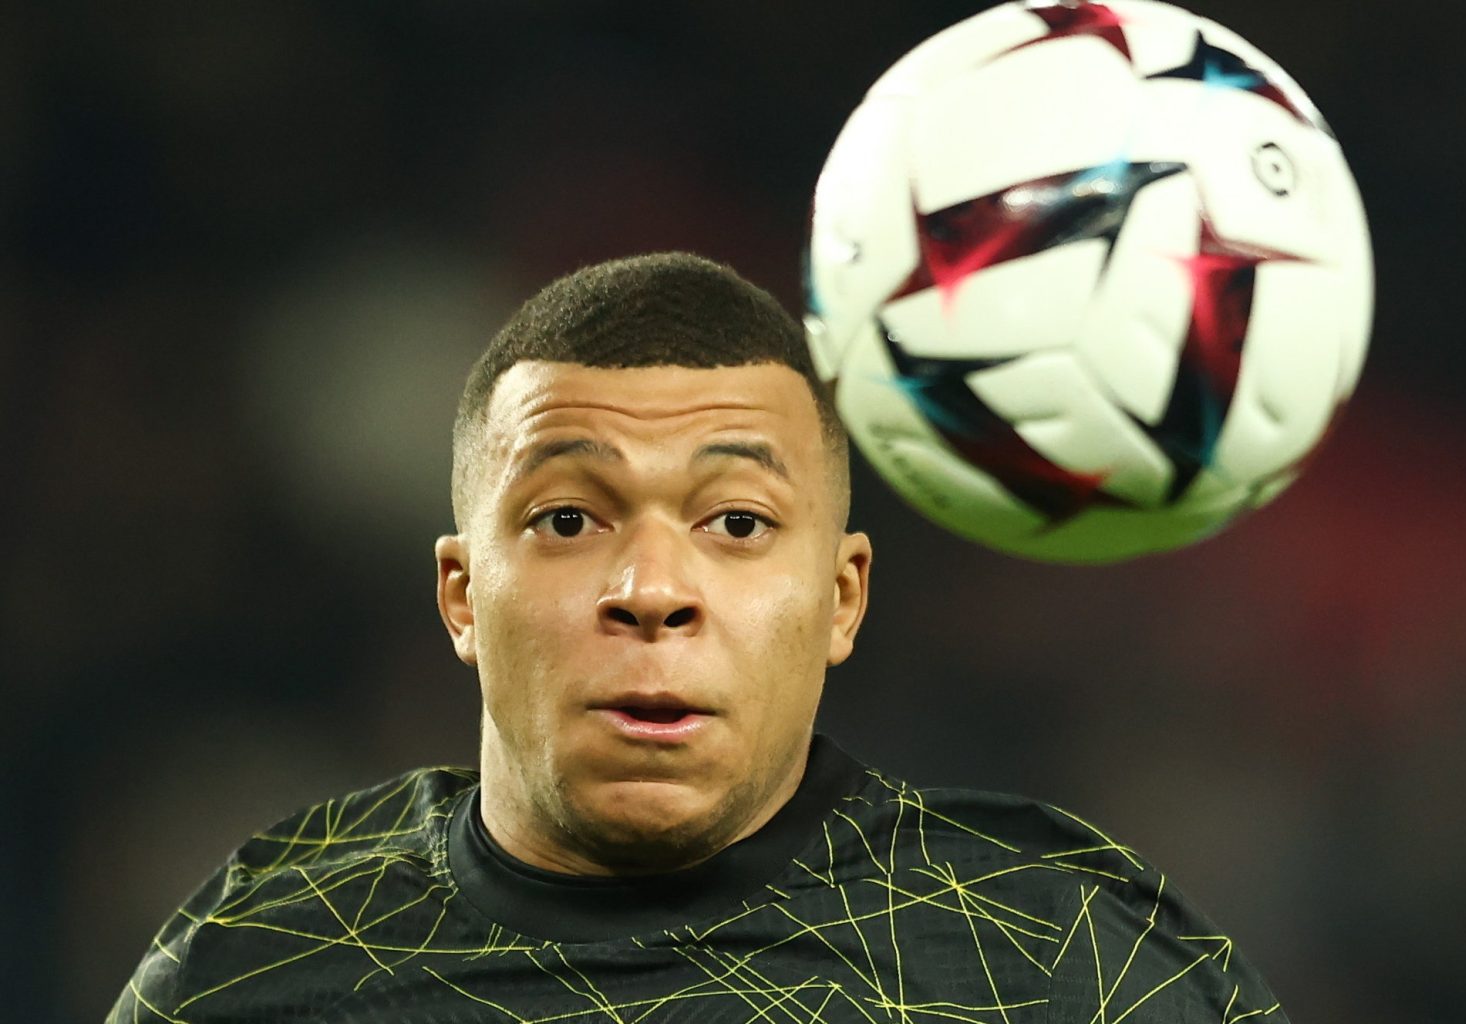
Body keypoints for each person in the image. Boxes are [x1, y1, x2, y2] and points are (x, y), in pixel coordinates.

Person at [109, 253, 1287, 1023]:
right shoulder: (257, 971)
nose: (652, 590)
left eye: (736, 522)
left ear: (842, 598)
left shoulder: (1071, 968)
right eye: (568, 519)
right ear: (462, 596)